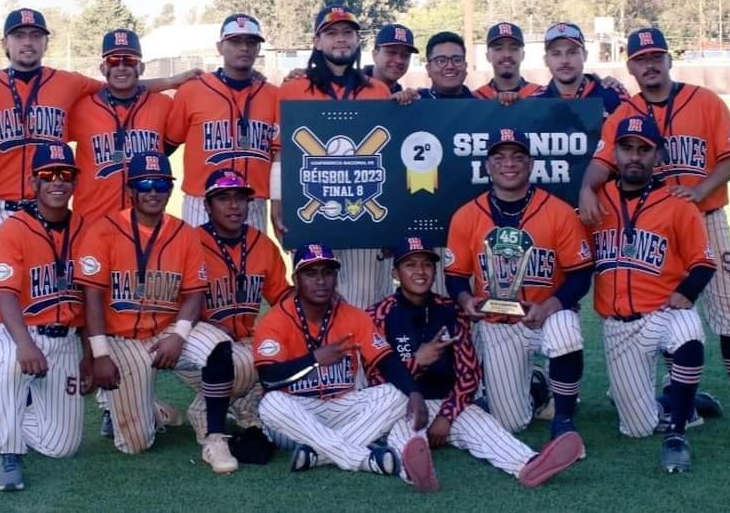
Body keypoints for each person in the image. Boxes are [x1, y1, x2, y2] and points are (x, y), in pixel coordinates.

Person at [0, 8, 198, 453]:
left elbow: (137, 101)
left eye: (129, 60)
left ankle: (116, 404)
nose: (28, 42)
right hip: (33, 212)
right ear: (7, 43)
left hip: (117, 225)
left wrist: (174, 81)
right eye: (19, 35)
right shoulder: (73, 101)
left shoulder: (83, 89)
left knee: (97, 308)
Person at [579, 27, 730, 445]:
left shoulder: (704, 100)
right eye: (640, 59)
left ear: (669, 59)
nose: (649, 64)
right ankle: (678, 398)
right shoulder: (625, 112)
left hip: (704, 216)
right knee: (662, 309)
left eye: (656, 56)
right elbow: (601, 162)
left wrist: (700, 192)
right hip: (649, 221)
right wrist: (586, 188)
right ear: (630, 66)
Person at [372, 237, 584, 491]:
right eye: (410, 265)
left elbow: (469, 373)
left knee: (486, 428)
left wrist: (447, 417)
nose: (420, 272)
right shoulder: (377, 314)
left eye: (427, 265)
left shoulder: (450, 310)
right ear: (395, 272)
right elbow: (376, 378)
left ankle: (530, 464)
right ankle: (415, 471)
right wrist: (416, 362)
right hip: (404, 404)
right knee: (404, 438)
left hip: (449, 402)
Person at [77, 151, 240, 474]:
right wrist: (99, 354)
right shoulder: (102, 230)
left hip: (168, 331)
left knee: (237, 361)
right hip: (121, 339)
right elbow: (91, 297)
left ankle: (214, 434)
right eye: (145, 184)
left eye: (161, 184)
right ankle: (151, 410)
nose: (153, 192)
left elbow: (195, 292)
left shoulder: (184, 233)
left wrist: (179, 336)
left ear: (170, 190)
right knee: (135, 445)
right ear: (131, 190)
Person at [444, 129, 592, 446]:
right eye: (499, 157)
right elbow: (455, 275)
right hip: (499, 323)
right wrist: (466, 298)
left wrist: (551, 306)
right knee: (511, 422)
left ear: (530, 163)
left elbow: (580, 274)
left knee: (565, 328)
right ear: (487, 165)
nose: (508, 164)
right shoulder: (466, 215)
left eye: (517, 156)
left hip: (546, 314)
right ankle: (538, 388)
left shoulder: (559, 212)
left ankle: (564, 420)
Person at [587, 115, 716, 472]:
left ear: (657, 156)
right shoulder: (597, 202)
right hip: (618, 327)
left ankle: (677, 431)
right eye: (627, 147)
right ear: (614, 153)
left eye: (644, 149)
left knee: (688, 329)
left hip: (661, 313)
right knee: (638, 428)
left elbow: (703, 262)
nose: (634, 156)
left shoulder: (677, 203)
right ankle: (679, 399)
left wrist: (686, 292)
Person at [253, 242, 428, 482]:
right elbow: (268, 378)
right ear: (296, 279)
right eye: (311, 273)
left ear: (336, 277)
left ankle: (320, 454)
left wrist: (415, 393)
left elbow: (386, 360)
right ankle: (362, 459)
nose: (321, 280)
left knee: (397, 395)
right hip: (296, 416)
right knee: (270, 404)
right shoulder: (275, 321)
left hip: (342, 407)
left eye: (327, 272)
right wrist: (314, 359)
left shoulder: (353, 316)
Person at [0, 141, 98, 490]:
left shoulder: (87, 229)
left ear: (75, 182)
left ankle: (2, 416)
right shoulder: (13, 228)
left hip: (64, 339)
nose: (57, 182)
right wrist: (24, 345)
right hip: (11, 330)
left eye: (66, 174)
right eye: (48, 175)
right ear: (34, 182)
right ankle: (10, 455)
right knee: (14, 365)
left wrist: (91, 354)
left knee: (61, 446)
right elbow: (4, 295)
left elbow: (90, 297)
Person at [270, 4, 394, 309]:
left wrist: (395, 220)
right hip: (311, 208)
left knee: (365, 299)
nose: (341, 39)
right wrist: (276, 202)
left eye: (348, 32)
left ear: (357, 40)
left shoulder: (378, 91)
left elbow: (389, 160)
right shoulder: (293, 89)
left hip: (363, 211)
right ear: (317, 41)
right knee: (314, 299)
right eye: (332, 33)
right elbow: (280, 152)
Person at [181, 169, 291, 442]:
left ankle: (238, 404)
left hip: (241, 340)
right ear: (207, 205)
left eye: (240, 198)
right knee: (241, 363)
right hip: (194, 345)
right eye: (223, 198)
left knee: (283, 353)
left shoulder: (262, 244)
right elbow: (171, 306)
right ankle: (207, 408)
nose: (233, 205)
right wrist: (207, 326)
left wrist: (315, 306)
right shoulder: (189, 243)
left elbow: (282, 297)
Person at [166, 13, 277, 232]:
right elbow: (167, 144)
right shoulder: (192, 91)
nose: (244, 48)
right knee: (198, 266)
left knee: (252, 266)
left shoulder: (273, 95)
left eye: (251, 42)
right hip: (201, 201)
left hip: (252, 201)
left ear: (258, 49)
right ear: (220, 47)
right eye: (235, 41)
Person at [67, 28, 176, 221]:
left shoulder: (164, 105)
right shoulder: (81, 108)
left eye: (130, 60)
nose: (122, 67)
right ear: (103, 68)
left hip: (145, 224)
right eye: (113, 60)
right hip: (92, 222)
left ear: (141, 68)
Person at [536, 22, 627, 117]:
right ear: (546, 60)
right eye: (556, 54)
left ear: (585, 55)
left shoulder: (614, 95)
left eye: (572, 52)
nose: (565, 60)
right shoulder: (533, 102)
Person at [473, 22, 543, 101]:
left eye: (514, 48)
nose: (507, 54)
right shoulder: (476, 99)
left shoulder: (542, 95)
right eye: (498, 48)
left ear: (523, 55)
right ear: (488, 56)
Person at [417, 31, 476, 100]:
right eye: (441, 61)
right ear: (428, 68)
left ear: (465, 66)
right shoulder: (414, 102)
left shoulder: (481, 106)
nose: (450, 66)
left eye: (457, 60)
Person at [363, 24, 418, 94]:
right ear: (374, 55)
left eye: (405, 55)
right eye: (392, 52)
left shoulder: (401, 98)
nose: (399, 60)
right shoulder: (351, 84)